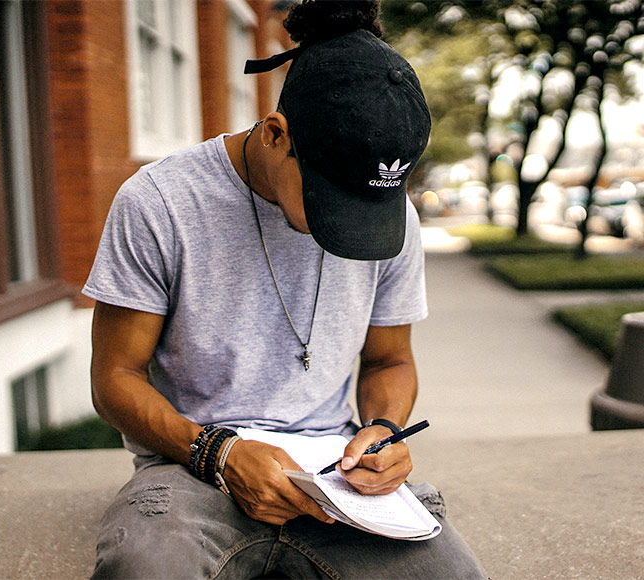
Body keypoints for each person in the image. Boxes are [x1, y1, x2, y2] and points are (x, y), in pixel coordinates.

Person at [84, 1, 487, 578]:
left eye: (369, 203)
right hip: (190, 463)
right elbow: (114, 379)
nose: (351, 224)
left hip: (334, 474)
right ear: (277, 135)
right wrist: (218, 453)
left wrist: (383, 430)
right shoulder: (160, 202)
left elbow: (389, 360)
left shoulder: (395, 216)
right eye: (333, 201)